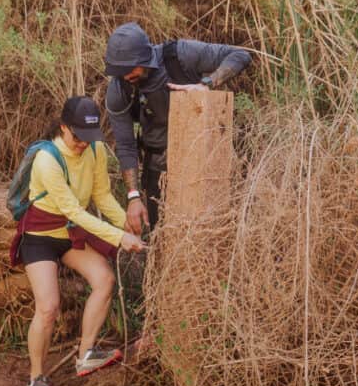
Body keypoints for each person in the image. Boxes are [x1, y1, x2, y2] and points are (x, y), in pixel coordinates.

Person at [10, 96, 146, 386]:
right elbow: (75, 210)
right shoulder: (47, 160)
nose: (83, 145)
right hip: (41, 236)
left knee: (104, 280)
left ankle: (86, 354)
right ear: (63, 128)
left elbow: (102, 196)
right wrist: (119, 237)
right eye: (77, 138)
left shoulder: (95, 149)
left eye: (89, 138)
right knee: (48, 308)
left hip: (70, 232)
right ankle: (37, 379)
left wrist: (127, 221)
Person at [103, 22, 252, 231]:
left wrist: (206, 84)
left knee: (207, 229)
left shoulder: (179, 55)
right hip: (158, 166)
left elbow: (240, 55)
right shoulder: (119, 88)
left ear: (145, 58)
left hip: (202, 158)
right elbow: (126, 145)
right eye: (120, 71)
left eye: (129, 69)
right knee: (162, 232)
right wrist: (133, 197)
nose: (126, 76)